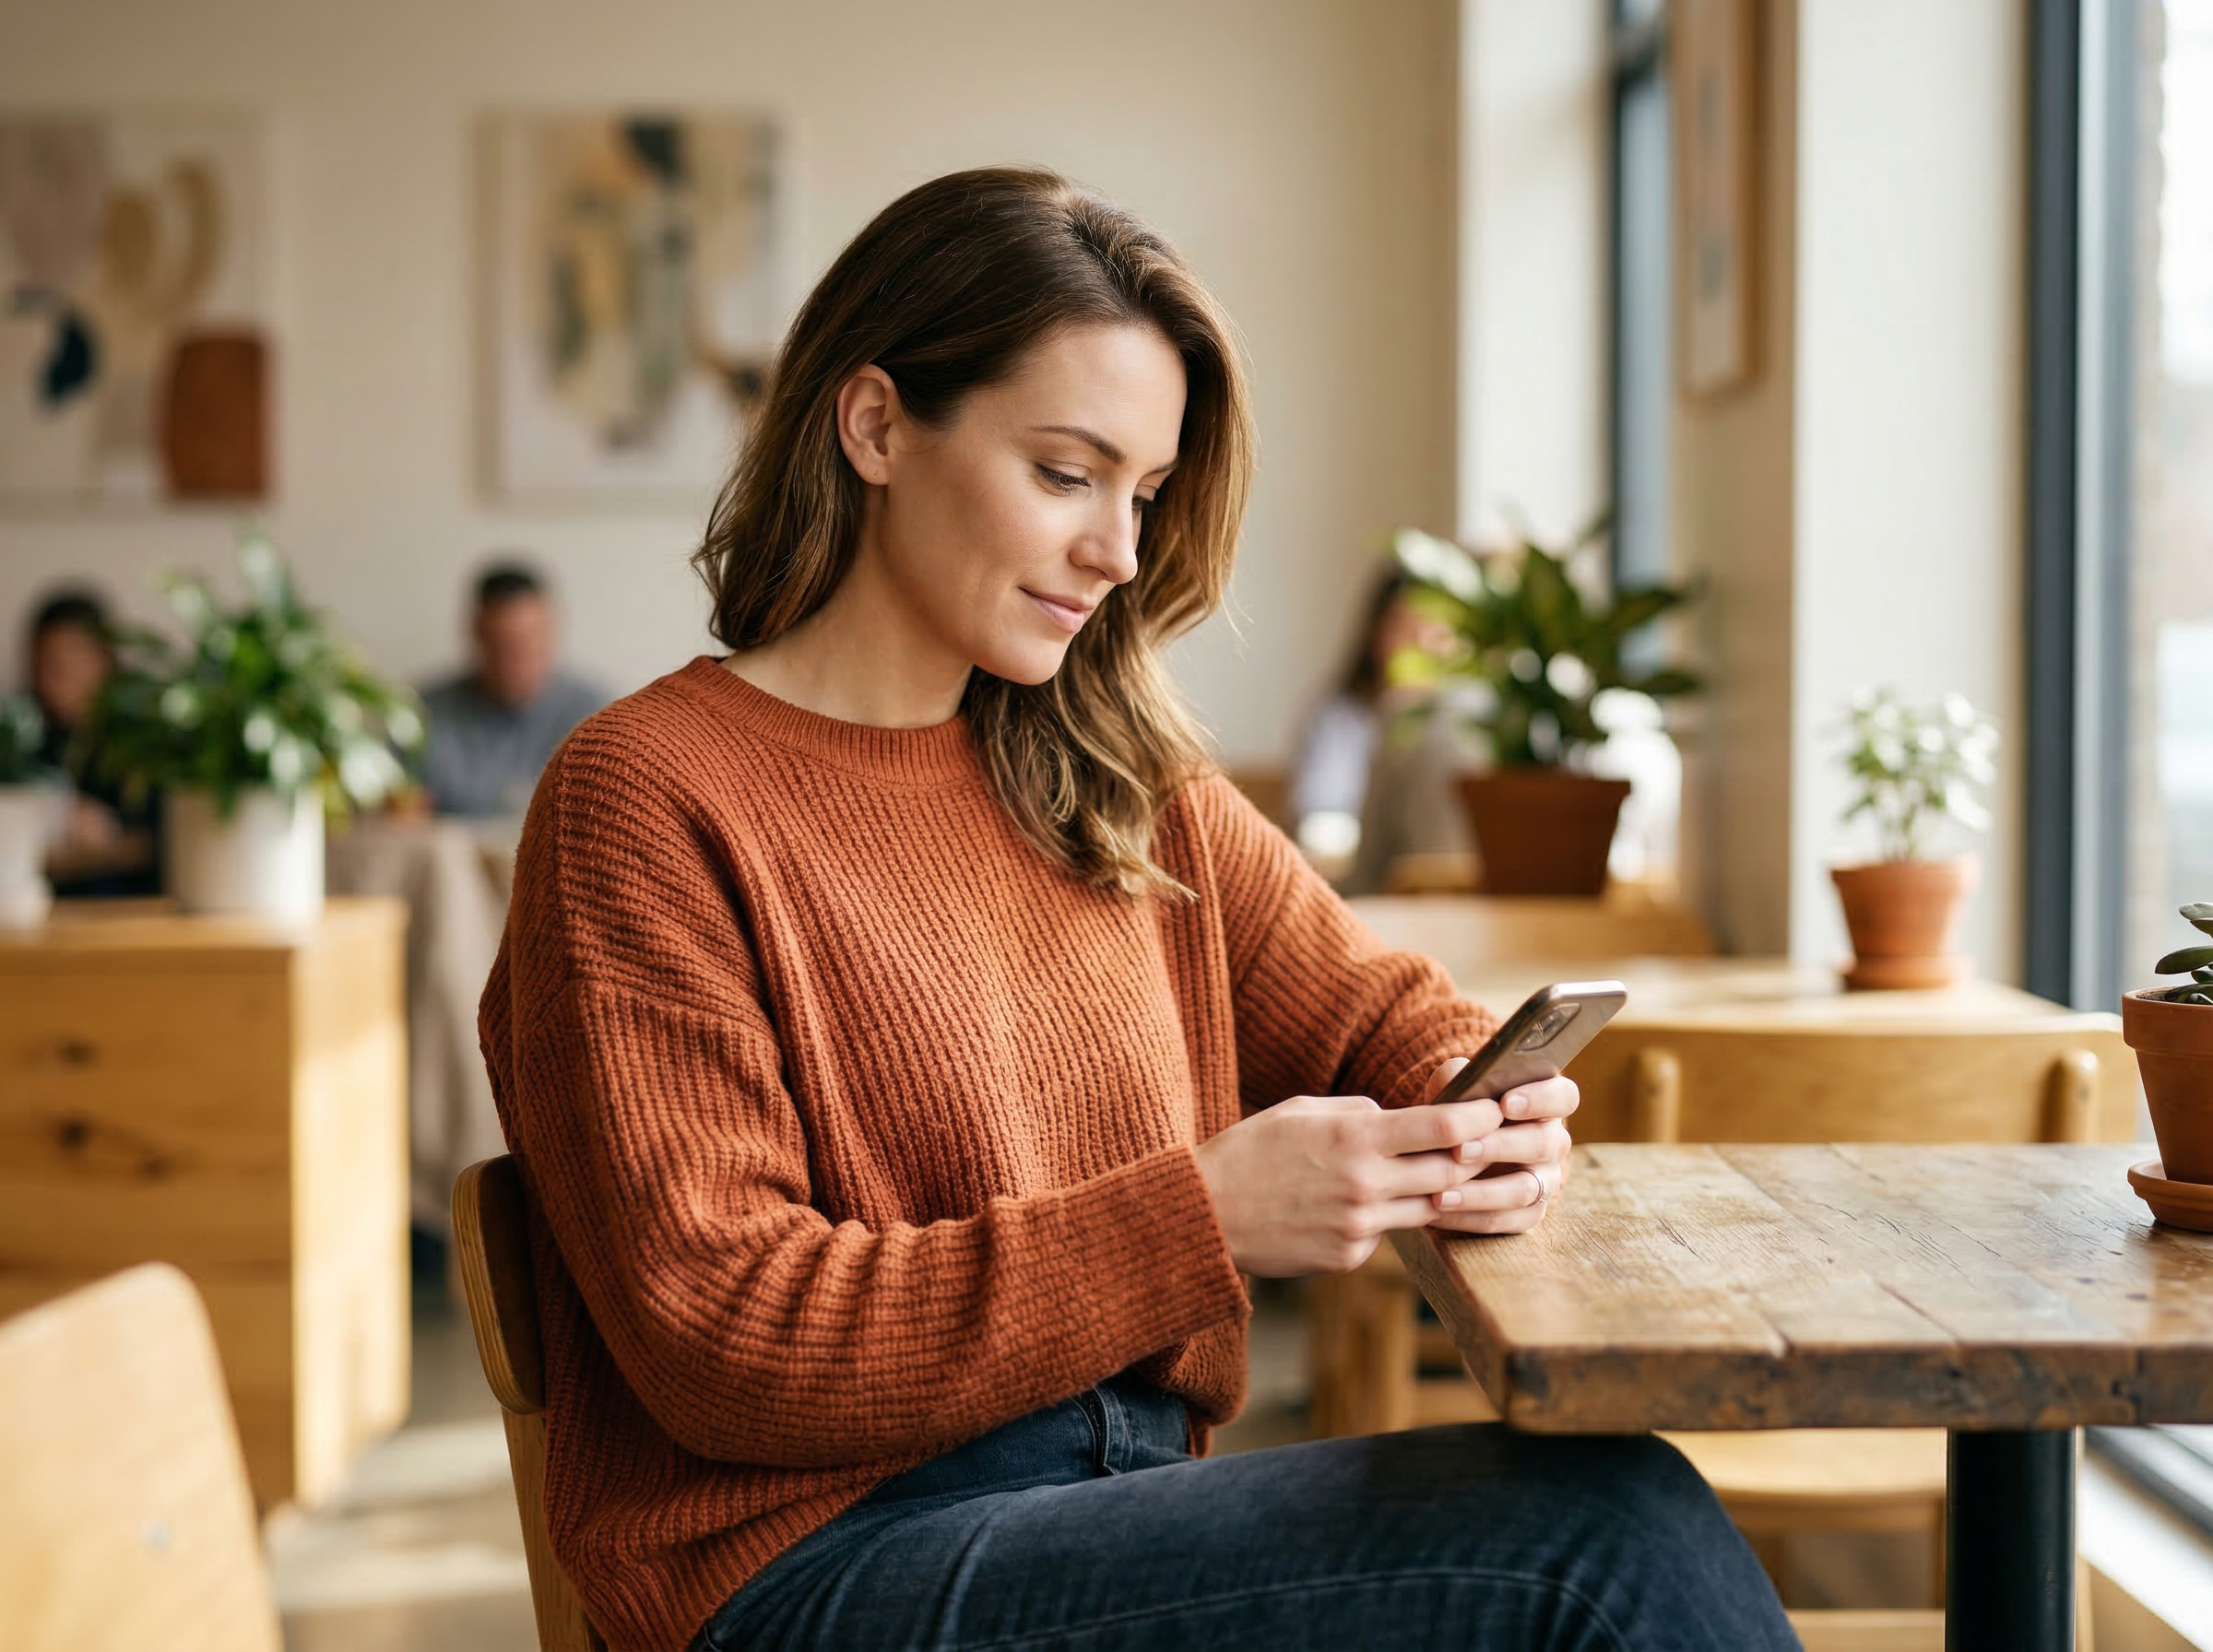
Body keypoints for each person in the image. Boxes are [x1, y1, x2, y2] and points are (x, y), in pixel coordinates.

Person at [480, 167, 1795, 1652]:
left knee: (1613, 1517)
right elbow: (728, 1337)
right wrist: (1210, 1214)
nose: (1118, 549)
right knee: (1599, 1546)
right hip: (818, 1569)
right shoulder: (644, 798)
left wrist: (1477, 1101)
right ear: (874, 426)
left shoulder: (1111, 775)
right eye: (1065, 474)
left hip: (1111, 1509)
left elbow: (1378, 1009)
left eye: (1146, 493)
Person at [1289, 566, 1480, 892]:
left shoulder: (1465, 725)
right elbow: (1318, 814)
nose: (1420, 641)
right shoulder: (1340, 717)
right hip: (1358, 885)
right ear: (1375, 632)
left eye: (1433, 627)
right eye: (1406, 625)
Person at [416, 562, 608, 817]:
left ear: (552, 632)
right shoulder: (423, 714)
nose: (515, 663)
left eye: (529, 644)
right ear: (476, 634)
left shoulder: (595, 717)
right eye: (501, 646)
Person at [24, 587, 158, 895]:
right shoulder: (27, 738)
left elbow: (161, 839)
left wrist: (109, 831)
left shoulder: (146, 741)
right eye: (41, 666)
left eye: (62, 666)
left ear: (103, 660)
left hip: (122, 904)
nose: (49, 681)